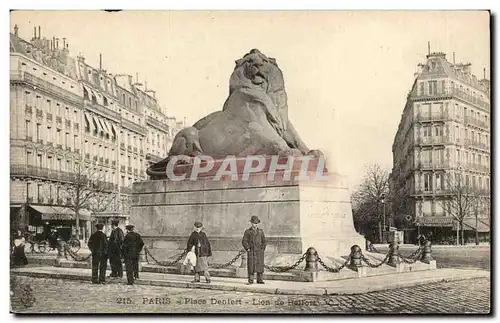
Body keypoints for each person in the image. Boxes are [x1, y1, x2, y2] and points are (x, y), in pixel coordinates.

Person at [241, 215, 267, 284]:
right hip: (251, 251)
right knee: (251, 266)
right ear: (251, 223)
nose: (254, 224)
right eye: (253, 223)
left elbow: (264, 241)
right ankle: (250, 280)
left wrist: (262, 249)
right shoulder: (247, 232)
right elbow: (244, 241)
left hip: (259, 252)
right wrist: (248, 248)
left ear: (258, 224)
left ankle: (260, 280)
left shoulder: (261, 232)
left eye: (256, 223)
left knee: (259, 266)